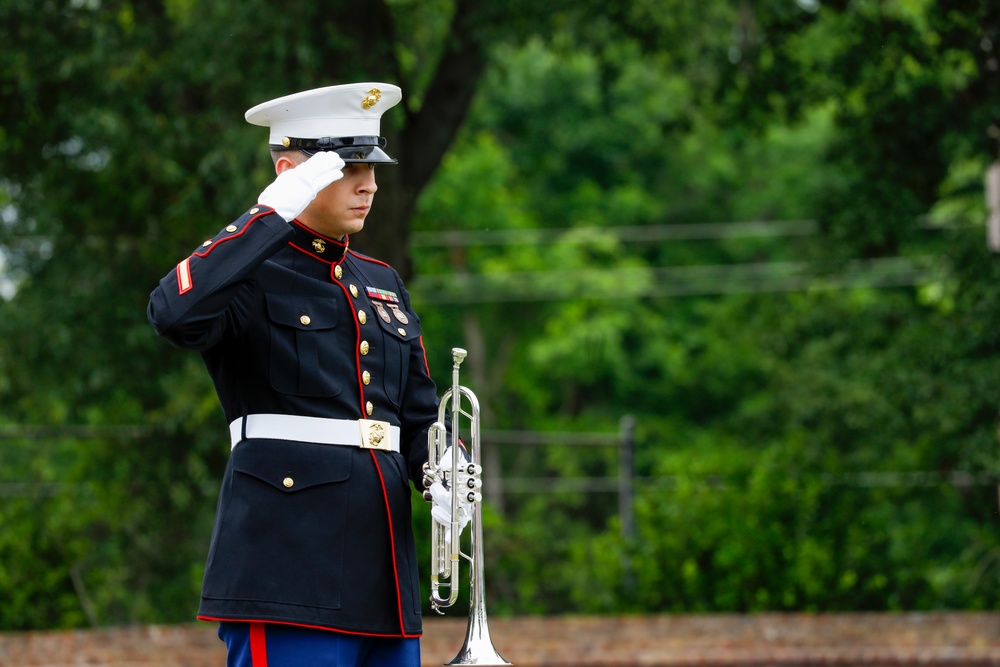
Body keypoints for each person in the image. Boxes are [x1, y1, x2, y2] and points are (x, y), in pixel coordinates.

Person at [148, 82, 448, 667]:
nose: (370, 184)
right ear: (291, 172)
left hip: (385, 583)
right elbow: (172, 313)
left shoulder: (381, 281)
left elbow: (417, 416)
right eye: (347, 167)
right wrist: (268, 217)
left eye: (372, 166)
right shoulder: (246, 274)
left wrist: (445, 466)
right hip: (288, 574)